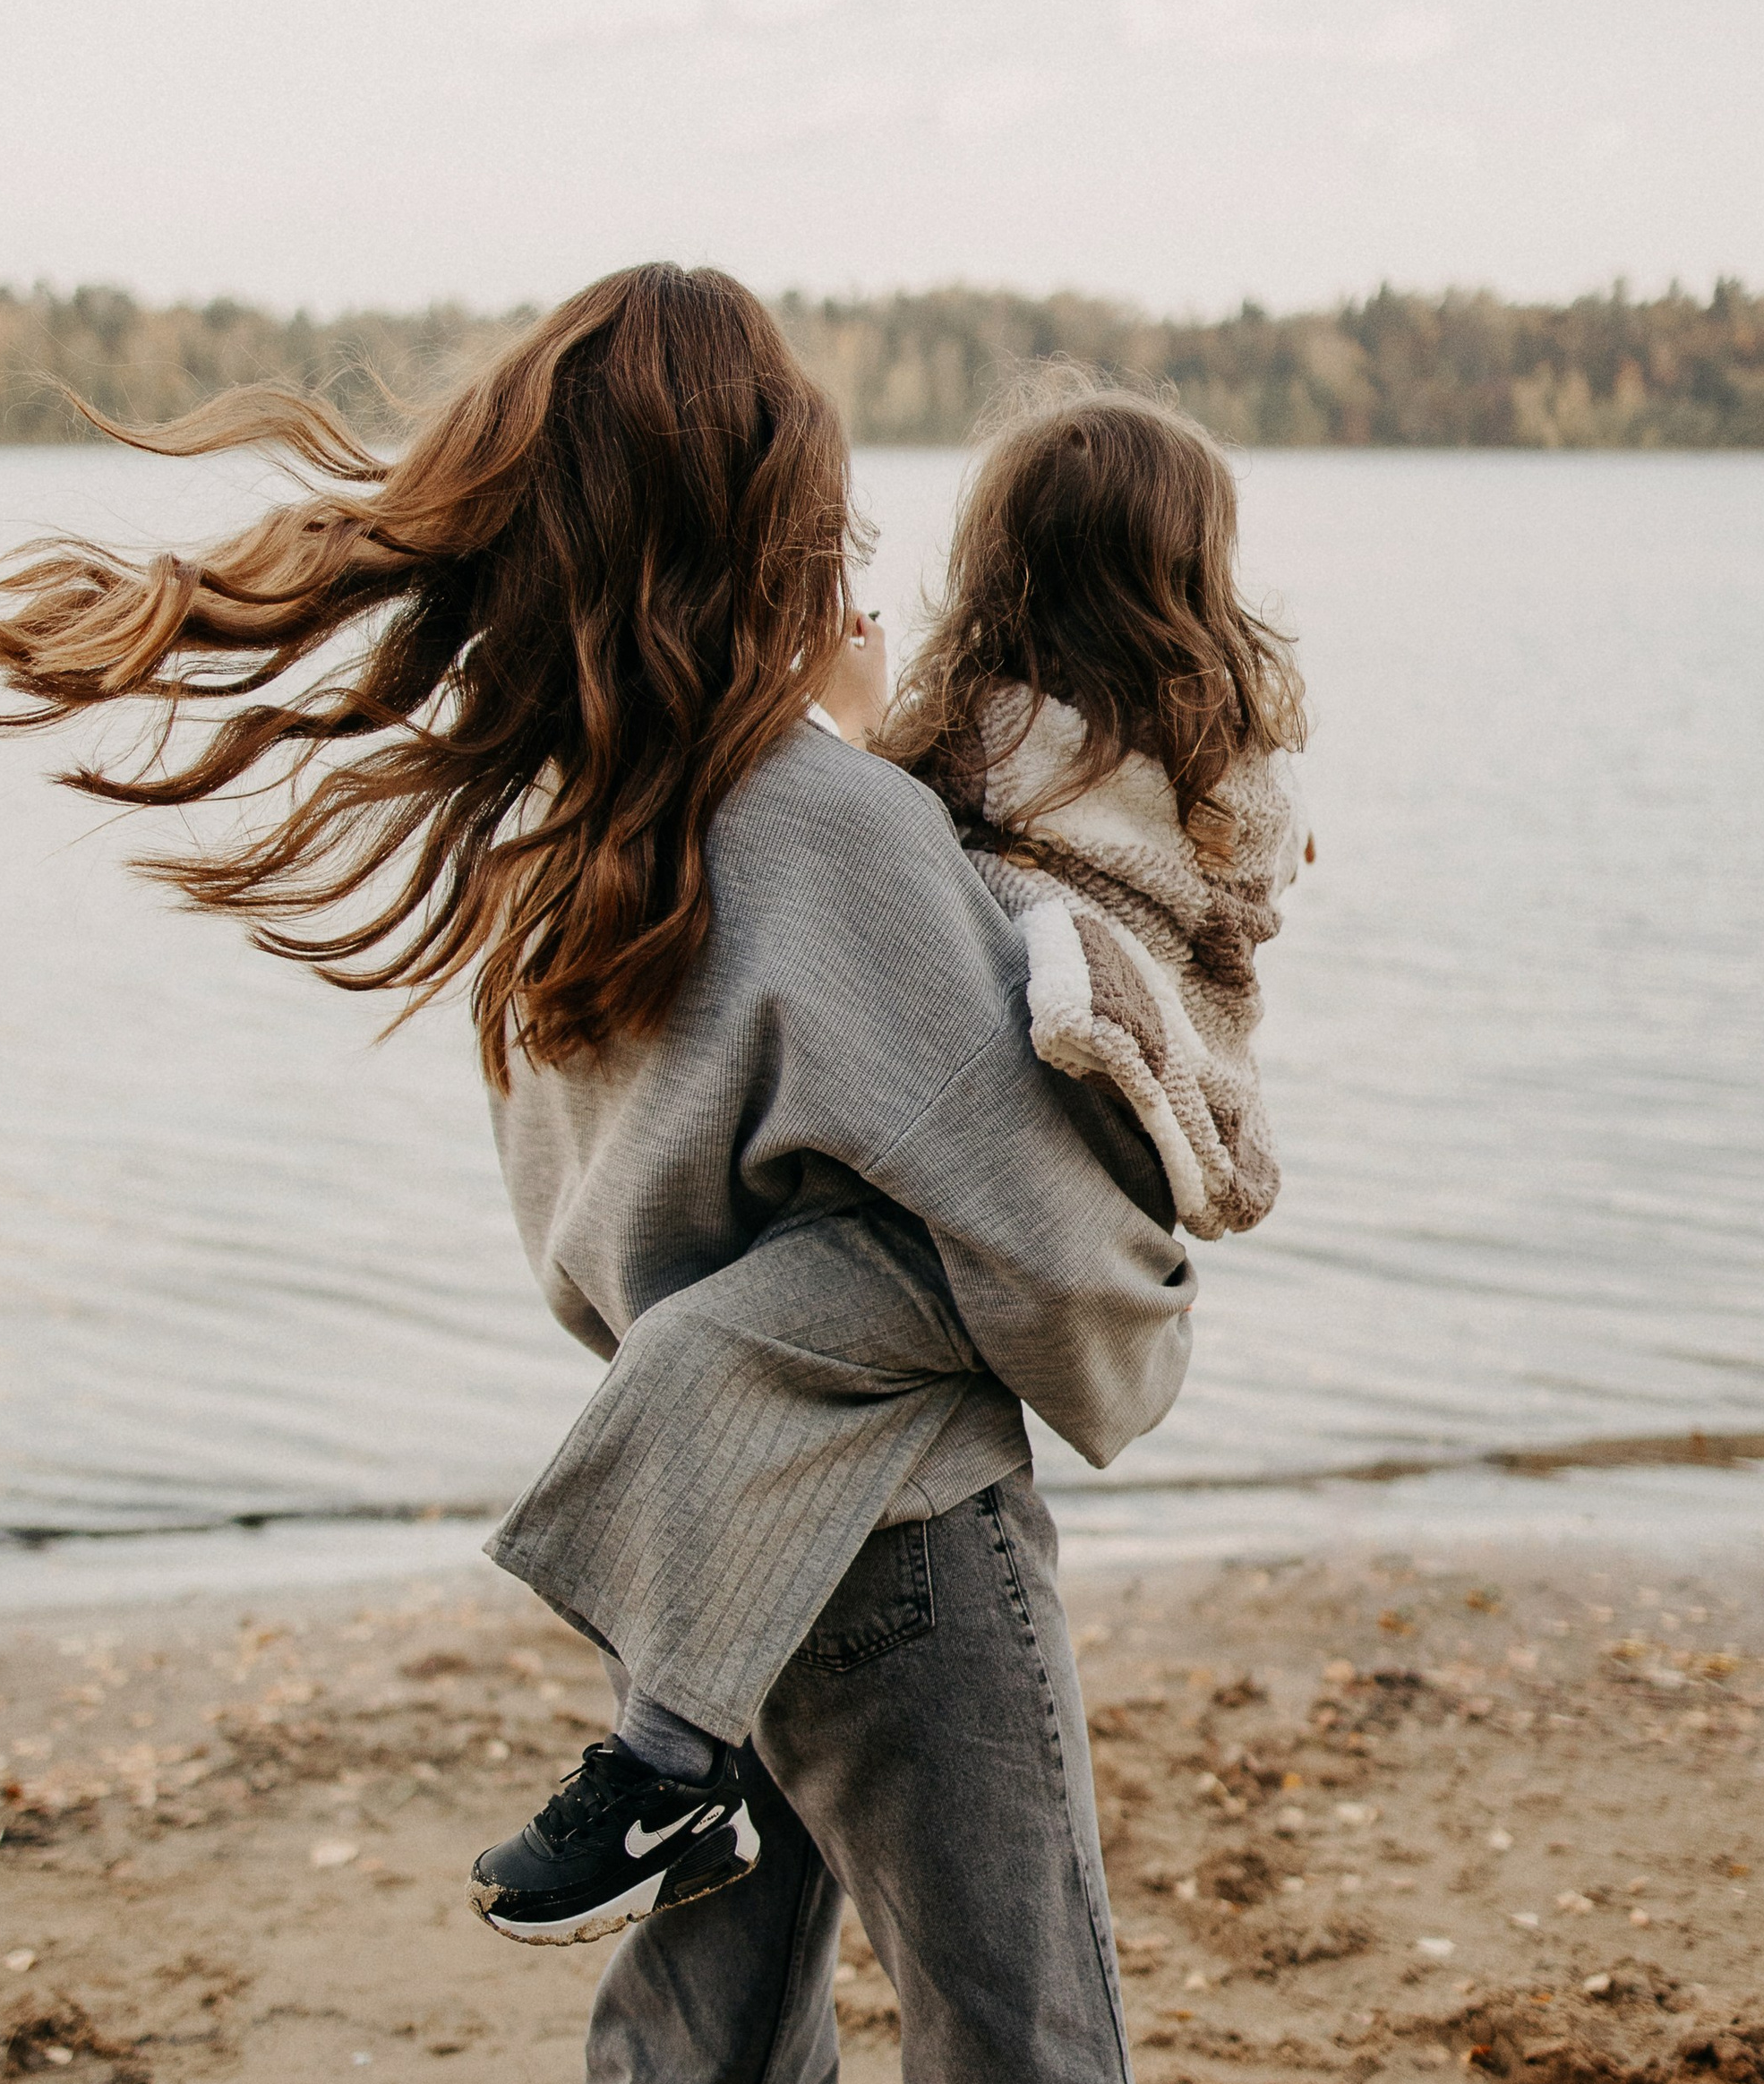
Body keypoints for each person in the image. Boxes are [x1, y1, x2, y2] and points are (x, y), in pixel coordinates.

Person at [0, 263, 1218, 2084]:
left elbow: (609, 1233)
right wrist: (1147, 1310)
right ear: (751, 521)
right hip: (896, 1533)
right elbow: (1046, 1238)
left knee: (705, 2057)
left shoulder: (558, 825)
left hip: (699, 1544)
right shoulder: (831, 828)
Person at [465, 380, 1307, 1951]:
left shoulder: (946, 734)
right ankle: (666, 1764)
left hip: (1039, 1155)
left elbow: (914, 880)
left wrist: (843, 718)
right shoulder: (1175, 742)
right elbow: (1225, 901)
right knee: (990, 2053)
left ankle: (660, 1757)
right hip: (1060, 1215)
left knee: (716, 1346)